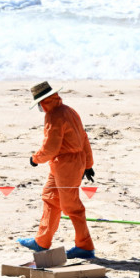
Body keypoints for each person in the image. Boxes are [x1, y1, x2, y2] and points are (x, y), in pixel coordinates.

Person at [17, 82, 97, 259]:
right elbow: (84, 137)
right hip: (64, 163)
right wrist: (88, 164)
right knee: (50, 197)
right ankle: (41, 241)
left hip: (67, 164)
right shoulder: (70, 110)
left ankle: (85, 246)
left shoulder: (54, 116)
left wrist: (35, 159)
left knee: (72, 206)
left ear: (43, 101)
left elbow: (51, 147)